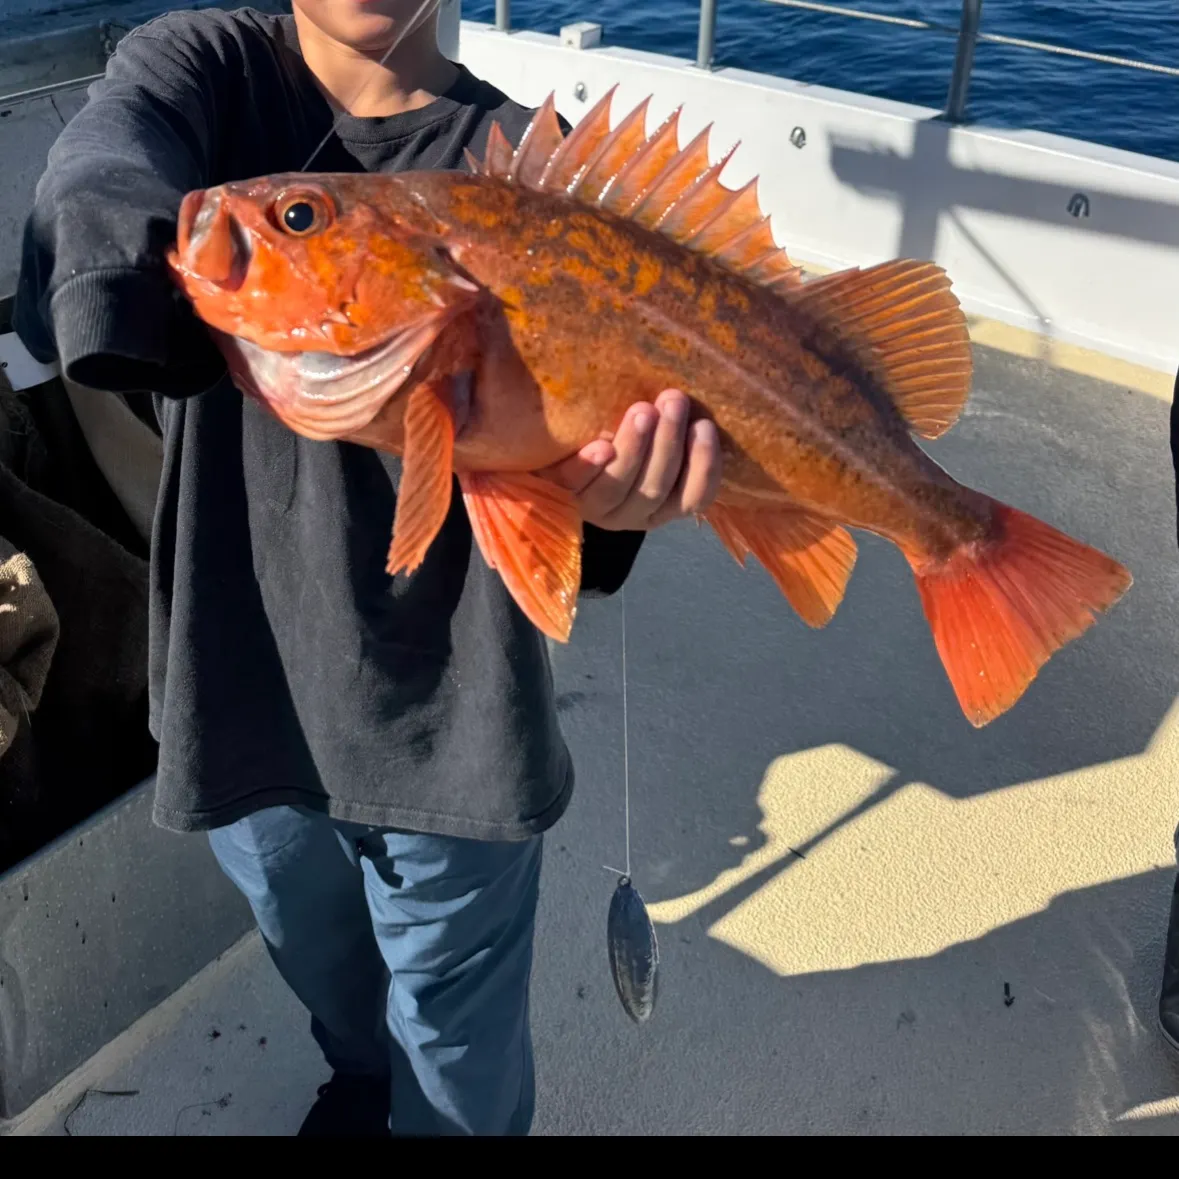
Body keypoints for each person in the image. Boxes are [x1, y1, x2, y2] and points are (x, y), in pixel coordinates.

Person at [14, 0, 724, 1136]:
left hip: (456, 719)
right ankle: (357, 1082)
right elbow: (104, 162)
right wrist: (139, 303)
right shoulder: (209, 71)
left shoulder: (532, 171)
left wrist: (618, 508)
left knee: (452, 1032)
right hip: (244, 683)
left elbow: (572, 500)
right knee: (318, 960)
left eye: (294, 220)